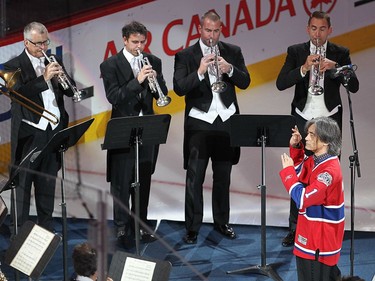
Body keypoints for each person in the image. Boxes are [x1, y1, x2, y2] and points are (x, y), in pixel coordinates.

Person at [276, 11, 359, 247]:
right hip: (303, 120)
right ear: (307, 29)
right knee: (300, 173)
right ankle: (295, 229)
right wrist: (303, 68)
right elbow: (281, 83)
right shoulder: (296, 51)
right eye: (313, 28)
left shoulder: (339, 52)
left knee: (327, 178)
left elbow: (354, 86)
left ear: (330, 30)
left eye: (322, 29)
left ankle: (325, 226)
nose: (317, 34)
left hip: (330, 124)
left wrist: (336, 68)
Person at [173, 10, 250, 244]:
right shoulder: (185, 55)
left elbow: (245, 81)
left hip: (226, 121)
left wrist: (230, 70)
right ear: (199, 29)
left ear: (221, 30)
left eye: (216, 31)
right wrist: (199, 71)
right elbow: (179, 88)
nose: (212, 36)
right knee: (194, 178)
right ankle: (192, 227)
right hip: (199, 124)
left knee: (223, 177)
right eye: (208, 30)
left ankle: (221, 222)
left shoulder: (233, 52)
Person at [100, 21, 169, 248]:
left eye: (142, 42)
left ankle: (140, 223)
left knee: (143, 180)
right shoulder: (110, 65)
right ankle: (121, 227)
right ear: (125, 40)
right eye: (134, 42)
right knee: (121, 182)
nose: (139, 46)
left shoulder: (154, 61)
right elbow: (114, 97)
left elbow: (163, 93)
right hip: (122, 128)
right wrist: (137, 80)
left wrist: (155, 79)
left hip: (147, 128)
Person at [4, 22, 75, 232]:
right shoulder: (12, 66)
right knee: (23, 188)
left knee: (47, 186)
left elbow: (70, 93)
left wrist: (62, 79)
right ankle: (20, 236)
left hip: (52, 133)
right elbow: (18, 95)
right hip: (28, 136)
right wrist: (43, 78)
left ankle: (45, 232)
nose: (43, 47)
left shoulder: (54, 61)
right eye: (38, 43)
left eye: (46, 42)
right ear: (26, 42)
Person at [279, 116, 345, 281]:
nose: (306, 137)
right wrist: (296, 147)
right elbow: (301, 173)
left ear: (325, 140)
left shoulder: (328, 171)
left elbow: (303, 199)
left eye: (311, 135)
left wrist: (287, 172)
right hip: (311, 236)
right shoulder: (316, 161)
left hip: (319, 243)